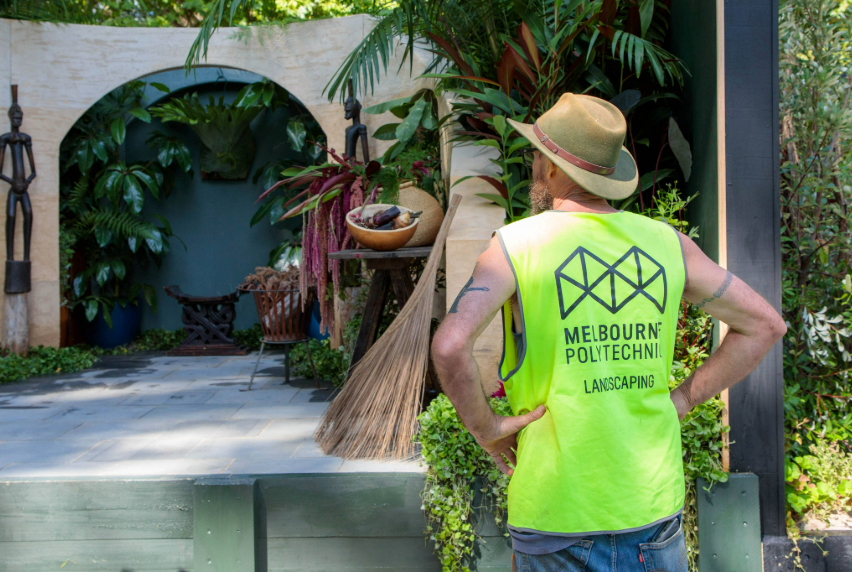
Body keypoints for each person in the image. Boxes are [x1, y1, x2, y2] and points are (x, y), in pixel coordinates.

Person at [431, 93, 786, 572]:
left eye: (538, 154)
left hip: (552, 512)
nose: (534, 163)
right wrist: (682, 399)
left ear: (554, 169)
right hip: (649, 508)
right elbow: (764, 324)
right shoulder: (668, 245)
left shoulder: (515, 247)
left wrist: (489, 430)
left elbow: (451, 345)